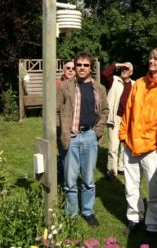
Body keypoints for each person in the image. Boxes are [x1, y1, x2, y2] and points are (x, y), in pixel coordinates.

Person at [119, 48, 157, 238]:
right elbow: (128, 112)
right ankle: (134, 217)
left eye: (156, 59)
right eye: (150, 58)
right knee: (131, 186)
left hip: (153, 149)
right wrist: (123, 135)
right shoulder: (138, 84)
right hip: (130, 145)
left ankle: (153, 225)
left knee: (154, 191)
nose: (151, 61)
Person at [57, 51, 109, 226]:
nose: (81, 68)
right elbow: (55, 111)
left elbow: (105, 111)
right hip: (71, 137)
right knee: (70, 180)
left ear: (91, 68)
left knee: (88, 179)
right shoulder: (65, 86)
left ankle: (87, 211)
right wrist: (64, 129)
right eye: (79, 65)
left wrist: (96, 131)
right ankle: (71, 214)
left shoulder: (99, 88)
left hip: (90, 136)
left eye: (85, 65)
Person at [101, 61, 135, 182]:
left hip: (128, 119)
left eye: (127, 69)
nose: (124, 70)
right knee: (113, 147)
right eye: (123, 69)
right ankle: (111, 171)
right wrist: (118, 65)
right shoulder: (114, 80)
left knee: (125, 146)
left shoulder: (135, 84)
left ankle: (121, 167)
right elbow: (104, 73)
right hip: (115, 118)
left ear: (131, 72)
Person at [56, 61, 76, 187]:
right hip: (62, 126)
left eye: (72, 68)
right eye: (67, 68)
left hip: (76, 126)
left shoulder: (78, 85)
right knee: (64, 153)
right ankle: (63, 182)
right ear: (63, 70)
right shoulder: (58, 84)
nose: (70, 70)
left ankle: (71, 181)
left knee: (73, 155)